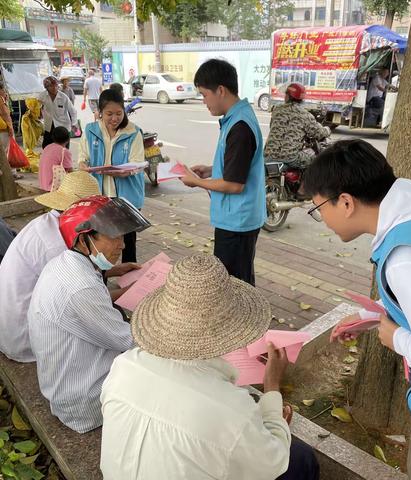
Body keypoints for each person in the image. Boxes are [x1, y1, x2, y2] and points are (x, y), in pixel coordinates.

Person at [304, 139, 411, 480]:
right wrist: (374, 316)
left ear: (345, 202)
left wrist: (397, 338)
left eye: (318, 208)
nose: (322, 219)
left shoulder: (409, 260)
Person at [100, 254, 320, 480]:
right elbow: (273, 463)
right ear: (233, 328)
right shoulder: (232, 410)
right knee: (301, 458)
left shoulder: (125, 365)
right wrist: (272, 387)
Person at [28, 195, 150, 433]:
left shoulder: (65, 263)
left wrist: (114, 272)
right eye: (114, 237)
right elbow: (128, 340)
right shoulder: (81, 287)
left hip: (66, 383)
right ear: (84, 240)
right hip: (84, 402)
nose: (122, 245)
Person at [180, 59, 266, 286]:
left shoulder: (239, 126)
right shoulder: (236, 119)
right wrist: (210, 170)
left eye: (204, 94)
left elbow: (234, 185)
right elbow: (237, 167)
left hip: (237, 220)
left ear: (220, 90)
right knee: (239, 280)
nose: (203, 101)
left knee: (234, 286)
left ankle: (245, 321)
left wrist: (196, 182)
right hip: (235, 218)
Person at [0, 171, 101, 362]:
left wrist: (113, 270)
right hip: (24, 339)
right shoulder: (56, 245)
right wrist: (126, 292)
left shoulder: (47, 223)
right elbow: (79, 300)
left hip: (10, 326)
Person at [79, 88, 145, 263]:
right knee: (102, 242)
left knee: (128, 242)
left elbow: (137, 164)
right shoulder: (91, 130)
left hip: (126, 197)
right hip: (100, 197)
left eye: (119, 113)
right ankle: (102, 280)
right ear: (100, 112)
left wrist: (121, 171)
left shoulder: (133, 132)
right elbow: (82, 157)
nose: (114, 118)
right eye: (109, 114)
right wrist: (83, 166)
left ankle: (130, 281)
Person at [264, 83, 331, 169]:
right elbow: (318, 133)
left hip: (268, 155)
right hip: (291, 158)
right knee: (316, 159)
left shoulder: (277, 109)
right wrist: (327, 130)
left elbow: (272, 126)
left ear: (287, 96)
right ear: (301, 99)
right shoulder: (305, 115)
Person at [38, 76, 77, 149]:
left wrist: (74, 124)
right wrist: (39, 112)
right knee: (46, 147)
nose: (55, 88)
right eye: (51, 86)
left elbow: (73, 111)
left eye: (56, 85)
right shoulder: (42, 96)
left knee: (63, 149)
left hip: (63, 126)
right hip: (49, 126)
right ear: (46, 88)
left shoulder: (63, 97)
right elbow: (37, 106)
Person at [38, 126, 73, 191]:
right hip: (53, 187)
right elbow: (71, 172)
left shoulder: (47, 147)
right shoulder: (64, 152)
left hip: (43, 184)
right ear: (68, 139)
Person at [0, 84, 22, 180]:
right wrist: (10, 127)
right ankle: (12, 172)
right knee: (7, 151)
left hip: (3, 128)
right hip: (4, 129)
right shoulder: (1, 100)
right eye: (3, 90)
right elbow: (5, 114)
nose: (5, 91)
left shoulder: (3, 99)